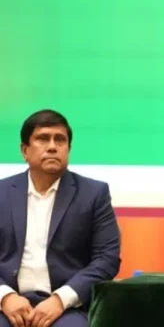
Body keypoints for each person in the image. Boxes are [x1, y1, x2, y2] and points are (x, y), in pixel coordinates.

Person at [0, 110, 121, 327]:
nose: (52, 147)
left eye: (60, 140)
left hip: (66, 308)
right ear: (25, 150)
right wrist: (5, 296)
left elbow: (107, 259)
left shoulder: (94, 194)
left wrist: (60, 299)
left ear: (68, 149)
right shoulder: (2, 193)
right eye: (43, 139)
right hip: (7, 304)